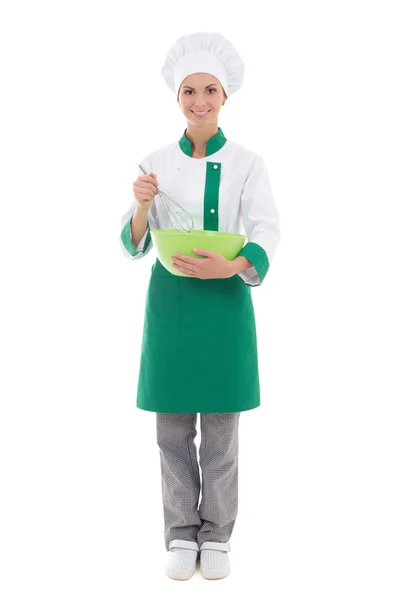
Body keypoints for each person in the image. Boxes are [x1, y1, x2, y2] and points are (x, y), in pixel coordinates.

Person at [120, 32, 281, 581]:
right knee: (171, 430)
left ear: (225, 96)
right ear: (178, 96)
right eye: (190, 90)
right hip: (170, 305)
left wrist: (230, 265)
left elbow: (265, 230)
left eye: (210, 90)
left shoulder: (247, 162)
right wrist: (141, 205)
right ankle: (179, 534)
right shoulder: (155, 162)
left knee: (219, 430)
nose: (200, 101)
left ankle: (217, 534)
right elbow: (135, 242)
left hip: (225, 303)